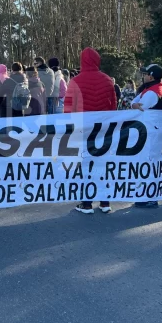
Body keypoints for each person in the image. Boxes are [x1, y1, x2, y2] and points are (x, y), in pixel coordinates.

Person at [64, 47, 117, 214]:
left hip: (83, 129)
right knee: (102, 165)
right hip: (103, 128)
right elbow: (113, 106)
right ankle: (105, 202)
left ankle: (86, 203)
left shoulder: (75, 81)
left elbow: (68, 108)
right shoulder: (108, 80)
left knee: (86, 165)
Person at [131, 63, 162, 209]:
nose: (144, 76)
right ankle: (147, 195)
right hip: (153, 130)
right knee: (149, 164)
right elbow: (135, 103)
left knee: (150, 164)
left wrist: (134, 105)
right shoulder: (156, 88)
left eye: (146, 74)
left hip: (153, 132)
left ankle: (151, 197)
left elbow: (137, 106)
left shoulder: (152, 92)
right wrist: (134, 104)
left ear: (151, 76)